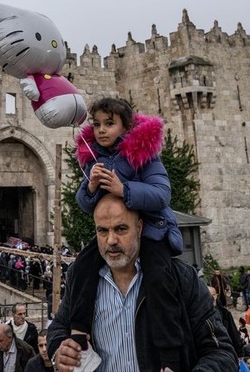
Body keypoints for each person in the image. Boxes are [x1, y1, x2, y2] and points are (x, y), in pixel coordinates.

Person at [47, 193, 237, 372]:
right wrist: (60, 350)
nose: (111, 240)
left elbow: (221, 352)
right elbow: (58, 327)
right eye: (102, 231)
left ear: (139, 228)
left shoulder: (180, 278)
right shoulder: (81, 278)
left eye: (121, 229)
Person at [68, 97, 186, 372]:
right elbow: (85, 204)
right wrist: (90, 188)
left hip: (152, 230)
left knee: (159, 280)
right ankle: (79, 335)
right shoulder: (93, 158)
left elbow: (162, 194)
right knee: (82, 266)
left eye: (110, 123)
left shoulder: (143, 153)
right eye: (97, 124)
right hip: (115, 234)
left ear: (126, 126)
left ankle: (169, 358)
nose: (101, 130)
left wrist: (125, 189)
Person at [208, 285, 243, 358]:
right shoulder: (201, 315)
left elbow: (233, 332)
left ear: (216, 296)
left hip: (226, 348)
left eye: (213, 295)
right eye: (208, 295)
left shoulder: (225, 313)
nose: (211, 298)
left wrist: (239, 352)